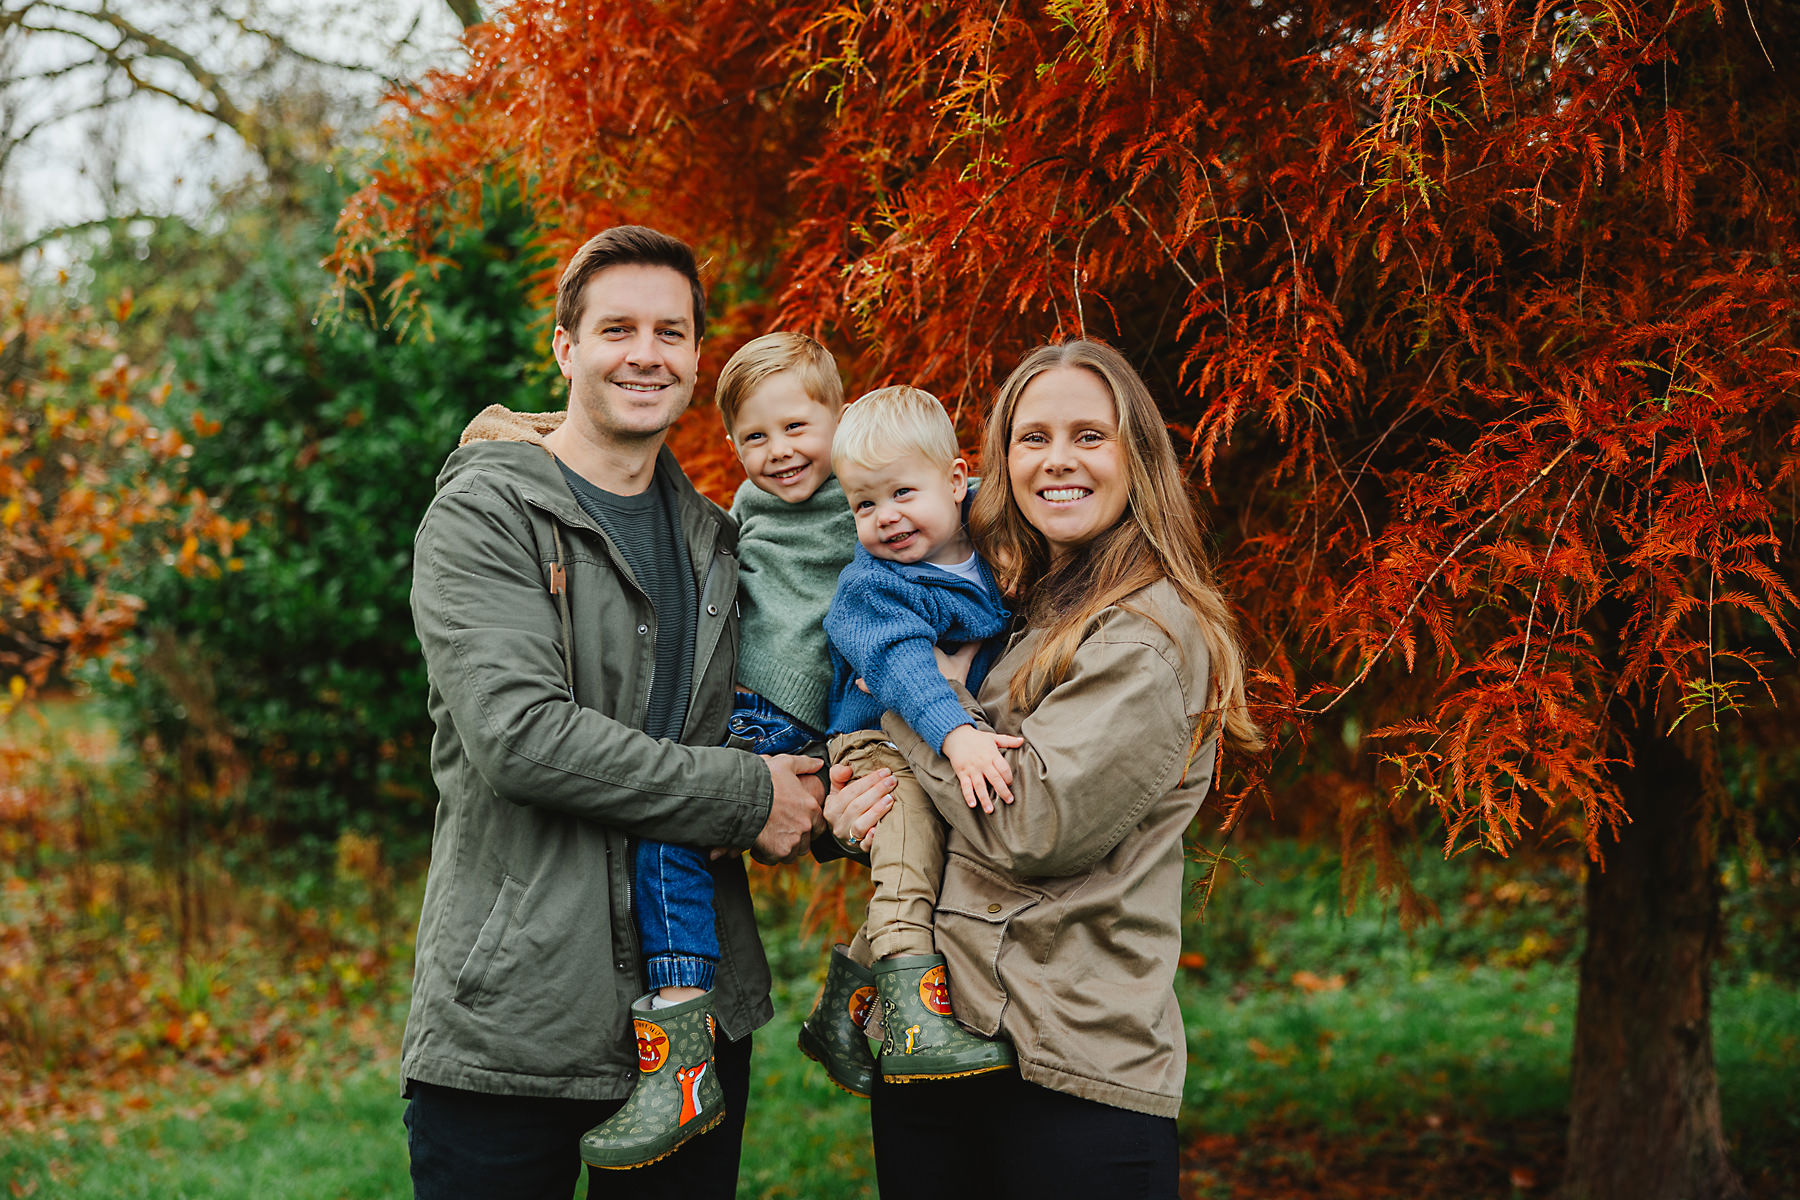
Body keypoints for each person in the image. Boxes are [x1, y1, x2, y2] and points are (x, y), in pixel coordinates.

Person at [401, 225, 825, 1200]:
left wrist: (826, 793)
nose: (646, 353)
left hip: (697, 1016)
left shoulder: (725, 543)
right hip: (516, 1019)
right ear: (565, 345)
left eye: (670, 332)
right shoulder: (485, 516)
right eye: (618, 328)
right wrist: (744, 794)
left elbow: (786, 707)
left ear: (694, 357)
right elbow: (522, 740)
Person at [825, 340, 1263, 1198]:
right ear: (997, 464)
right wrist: (863, 798)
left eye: (1089, 436)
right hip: (941, 1042)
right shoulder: (1011, 598)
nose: (1058, 460)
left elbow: (1032, 825)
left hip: (1069, 1066)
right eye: (1033, 438)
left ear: (1136, 456)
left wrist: (899, 715)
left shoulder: (1145, 634)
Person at [579, 330, 857, 1163]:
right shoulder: (742, 508)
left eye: (798, 429)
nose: (779, 453)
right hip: (747, 711)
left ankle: (689, 1027)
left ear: (840, 421)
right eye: (756, 437)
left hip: (809, 713)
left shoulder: (863, 491)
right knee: (674, 830)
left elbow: (937, 512)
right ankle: (830, 1007)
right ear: (733, 443)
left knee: (669, 831)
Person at [796, 385, 1023, 1097]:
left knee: (919, 869)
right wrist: (957, 732)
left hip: (931, 740)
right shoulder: (875, 586)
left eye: (902, 493)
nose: (885, 518)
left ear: (957, 482)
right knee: (907, 873)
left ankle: (840, 1012)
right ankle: (917, 1027)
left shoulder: (993, 539)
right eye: (864, 505)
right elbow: (898, 662)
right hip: (876, 748)